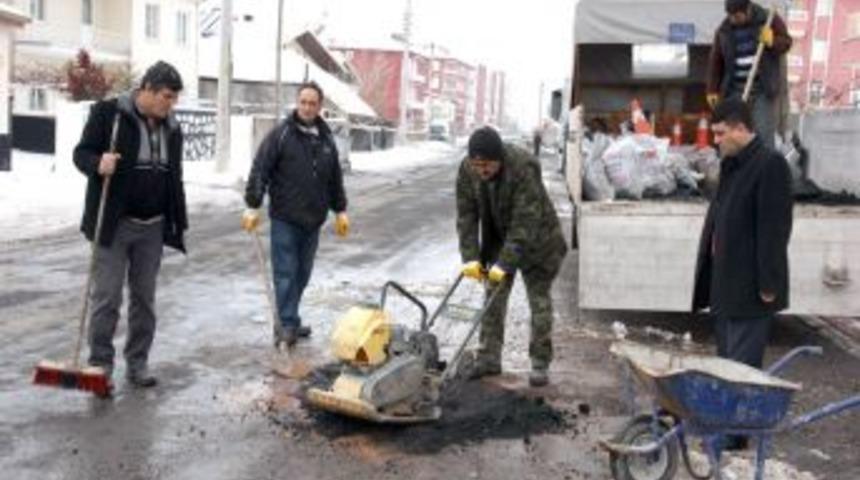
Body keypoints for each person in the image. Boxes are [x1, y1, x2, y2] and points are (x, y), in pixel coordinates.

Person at [73, 61, 188, 388]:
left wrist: (177, 220)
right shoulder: (108, 114)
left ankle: (137, 363)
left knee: (144, 300)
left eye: (174, 98)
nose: (171, 103)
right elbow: (80, 153)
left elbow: (174, 177)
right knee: (107, 298)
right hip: (114, 223)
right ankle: (100, 366)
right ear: (147, 89)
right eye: (167, 96)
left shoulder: (173, 127)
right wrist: (98, 163)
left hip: (152, 226)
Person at [456, 126, 568, 387]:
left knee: (538, 300)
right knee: (493, 297)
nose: (482, 171)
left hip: (539, 242)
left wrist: (504, 264)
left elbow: (524, 223)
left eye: (487, 165)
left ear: (499, 159)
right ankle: (489, 358)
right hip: (499, 238)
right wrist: (471, 258)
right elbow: (466, 215)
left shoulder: (523, 167)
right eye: (477, 164)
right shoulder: (467, 170)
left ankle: (540, 363)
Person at [242, 81, 349, 348]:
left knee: (302, 273)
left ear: (320, 106)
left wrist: (340, 210)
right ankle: (287, 323)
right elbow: (260, 168)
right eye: (303, 102)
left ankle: (291, 317)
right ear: (297, 103)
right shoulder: (281, 135)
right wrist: (252, 204)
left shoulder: (326, 140)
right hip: (285, 217)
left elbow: (334, 178)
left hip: (313, 220)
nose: (307, 107)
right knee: (286, 272)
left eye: (312, 103)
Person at [692, 98, 793, 371]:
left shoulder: (769, 165)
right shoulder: (732, 164)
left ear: (740, 129)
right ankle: (728, 414)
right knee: (727, 367)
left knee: (742, 371)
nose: (715, 140)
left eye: (720, 133)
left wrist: (768, 285)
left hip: (750, 291)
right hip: (725, 286)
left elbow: (774, 229)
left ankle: (741, 414)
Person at [706, 0, 792, 148]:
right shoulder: (724, 30)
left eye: (737, 16)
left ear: (748, 10)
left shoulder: (768, 19)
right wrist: (712, 89)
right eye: (730, 16)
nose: (733, 20)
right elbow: (716, 61)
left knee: (763, 133)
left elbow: (786, 43)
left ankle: (764, 168)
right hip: (734, 89)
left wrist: (772, 41)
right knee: (733, 134)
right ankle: (735, 167)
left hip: (762, 89)